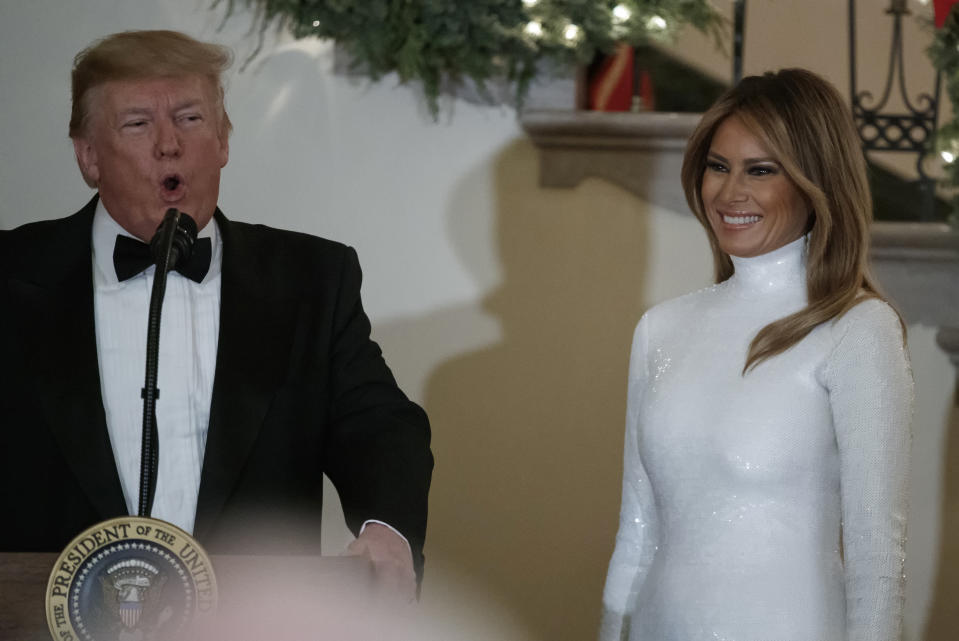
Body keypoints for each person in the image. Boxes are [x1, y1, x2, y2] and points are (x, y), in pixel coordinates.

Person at [0, 30, 432, 597]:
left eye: (190, 118)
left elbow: (378, 425)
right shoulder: (10, 275)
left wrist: (387, 531)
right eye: (137, 124)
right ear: (88, 156)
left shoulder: (312, 279)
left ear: (224, 140)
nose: (168, 145)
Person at [600, 69, 913, 641]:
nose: (729, 192)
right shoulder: (661, 329)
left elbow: (876, 558)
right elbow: (636, 532)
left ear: (814, 181)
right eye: (718, 166)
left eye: (760, 170)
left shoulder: (859, 331)